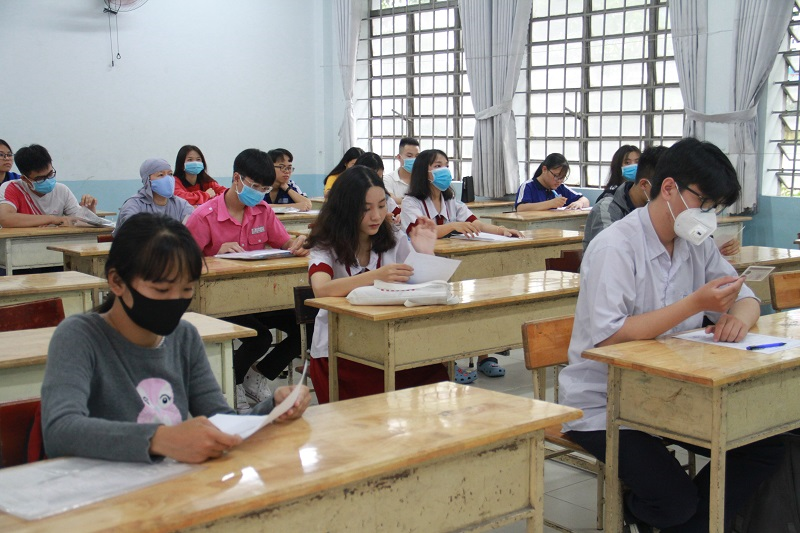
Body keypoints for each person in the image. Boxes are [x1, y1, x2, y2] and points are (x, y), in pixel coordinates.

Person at [558, 138, 784, 532]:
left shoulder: (695, 245)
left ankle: (684, 522)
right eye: (705, 203)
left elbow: (745, 296)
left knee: (766, 444)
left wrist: (739, 319)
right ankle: (644, 510)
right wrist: (694, 304)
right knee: (675, 503)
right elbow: (609, 338)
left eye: (716, 207)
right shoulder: (615, 247)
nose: (709, 216)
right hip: (605, 403)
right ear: (669, 189)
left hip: (672, 393)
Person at [41, 213, 310, 464]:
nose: (175, 301)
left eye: (186, 289)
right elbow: (60, 431)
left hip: (169, 483)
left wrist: (273, 408)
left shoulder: (184, 337)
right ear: (117, 282)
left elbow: (221, 420)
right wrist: (159, 439)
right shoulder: (80, 336)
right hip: (100, 487)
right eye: (161, 290)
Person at [305, 166, 449, 403]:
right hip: (340, 350)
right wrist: (375, 276)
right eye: (365, 209)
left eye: (382, 206)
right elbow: (321, 289)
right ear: (345, 208)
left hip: (391, 341)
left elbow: (421, 286)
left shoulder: (394, 236)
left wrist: (425, 253)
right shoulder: (325, 243)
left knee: (435, 383)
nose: (376, 216)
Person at [185, 148, 307, 411]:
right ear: (236, 178)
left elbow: (283, 241)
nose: (259, 193)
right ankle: (233, 384)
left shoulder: (262, 210)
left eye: (264, 189)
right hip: (217, 302)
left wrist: (297, 245)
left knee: (303, 325)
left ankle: (258, 374)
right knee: (259, 338)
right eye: (254, 186)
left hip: (257, 298)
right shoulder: (204, 216)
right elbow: (181, 261)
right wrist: (215, 254)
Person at [401, 149, 522, 381]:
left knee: (478, 302)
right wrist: (453, 226)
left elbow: (475, 223)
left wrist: (502, 230)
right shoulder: (411, 202)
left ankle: (484, 356)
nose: (444, 170)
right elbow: (421, 231)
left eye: (446, 165)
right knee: (446, 312)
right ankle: (449, 362)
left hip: (455, 261)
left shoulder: (450, 201)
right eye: (437, 166)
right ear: (424, 171)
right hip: (425, 265)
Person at [583, 145, 740, 256]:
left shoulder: (676, 218)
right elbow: (614, 253)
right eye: (703, 200)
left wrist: (717, 247)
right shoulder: (609, 215)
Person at [582, 145, 663, 250]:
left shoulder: (654, 208)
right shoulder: (607, 207)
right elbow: (610, 250)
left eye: (637, 162)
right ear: (644, 184)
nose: (667, 194)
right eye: (627, 162)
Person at [0, 144, 97, 228]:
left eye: (50, 174)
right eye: (40, 178)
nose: (47, 180)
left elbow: (82, 221)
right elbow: (5, 218)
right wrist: (52, 219)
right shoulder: (12, 188)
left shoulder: (62, 190)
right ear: (25, 179)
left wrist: (89, 209)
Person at [115, 158, 194, 236]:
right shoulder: (134, 204)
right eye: (161, 175)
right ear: (147, 180)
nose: (168, 179)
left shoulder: (181, 205)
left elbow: (193, 226)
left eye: (170, 174)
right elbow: (131, 231)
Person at [514, 153, 589, 211]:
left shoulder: (561, 187)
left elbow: (585, 200)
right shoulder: (528, 186)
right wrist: (550, 204)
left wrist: (579, 203)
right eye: (556, 176)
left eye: (562, 178)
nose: (559, 181)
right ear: (544, 169)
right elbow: (520, 208)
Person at [355, 151, 400, 223]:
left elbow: (398, 214)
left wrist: (399, 218)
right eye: (367, 208)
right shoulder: (349, 197)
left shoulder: (386, 198)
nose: (375, 182)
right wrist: (383, 222)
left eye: (381, 206)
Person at [382, 137, 420, 205]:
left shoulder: (423, 179)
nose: (414, 160)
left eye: (417, 156)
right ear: (399, 157)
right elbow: (390, 201)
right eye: (409, 156)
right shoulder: (388, 179)